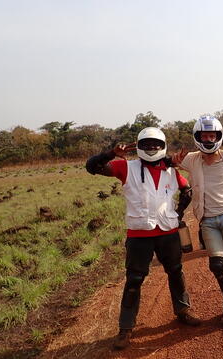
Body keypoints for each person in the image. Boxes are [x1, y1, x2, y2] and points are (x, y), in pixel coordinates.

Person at [85, 127, 201, 350]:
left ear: (163, 146)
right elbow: (92, 167)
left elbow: (187, 191)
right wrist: (109, 154)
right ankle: (125, 328)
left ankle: (183, 310)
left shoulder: (171, 170)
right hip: (139, 234)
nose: (152, 148)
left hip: (168, 232)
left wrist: (178, 213)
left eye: (156, 144)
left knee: (176, 271)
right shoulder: (126, 167)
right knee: (134, 280)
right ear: (139, 146)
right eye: (147, 144)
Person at [172, 115, 223, 330]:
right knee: (218, 265)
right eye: (204, 135)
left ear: (218, 136)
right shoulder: (190, 159)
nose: (208, 139)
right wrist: (173, 160)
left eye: (212, 135)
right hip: (207, 220)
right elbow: (169, 164)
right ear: (197, 137)